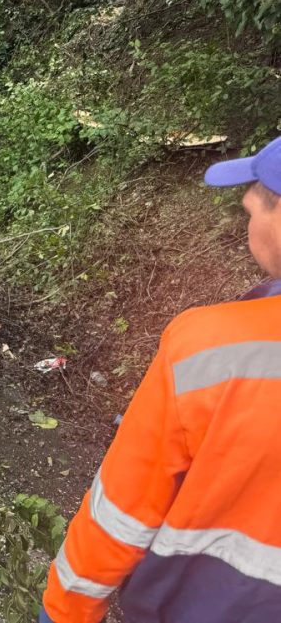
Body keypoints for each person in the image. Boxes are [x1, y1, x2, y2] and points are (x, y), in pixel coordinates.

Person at [39, 135, 281, 622]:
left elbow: (122, 511)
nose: (248, 218)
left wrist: (63, 612)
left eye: (253, 208)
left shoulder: (212, 349)